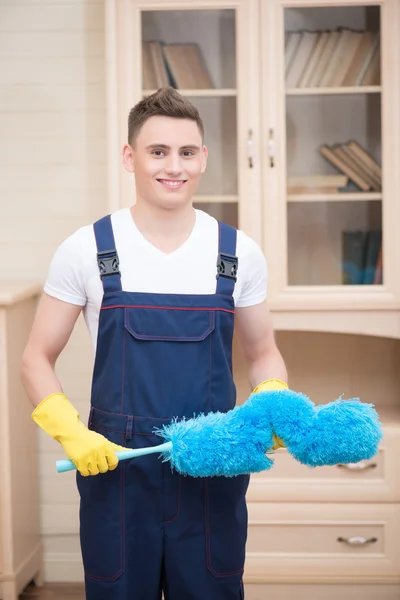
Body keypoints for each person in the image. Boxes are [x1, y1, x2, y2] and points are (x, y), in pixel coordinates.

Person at [21, 86, 288, 600]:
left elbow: (262, 352)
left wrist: (273, 404)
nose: (174, 166)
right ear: (130, 157)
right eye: (158, 151)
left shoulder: (236, 253)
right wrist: (73, 435)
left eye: (187, 152)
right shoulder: (88, 250)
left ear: (204, 158)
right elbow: (36, 357)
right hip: (118, 474)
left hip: (212, 469)